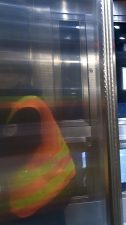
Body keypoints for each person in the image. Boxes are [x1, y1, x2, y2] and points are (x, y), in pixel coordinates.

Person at [0, 64, 76, 225]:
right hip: (48, 187)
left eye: (8, 72)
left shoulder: (28, 106)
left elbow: (19, 151)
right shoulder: (17, 102)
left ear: (23, 78)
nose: (3, 77)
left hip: (42, 192)